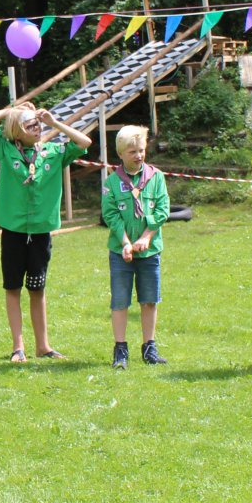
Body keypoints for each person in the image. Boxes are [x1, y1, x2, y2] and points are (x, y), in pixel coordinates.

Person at [0, 100, 93, 361]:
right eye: (30, 125)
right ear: (17, 131)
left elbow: (84, 142)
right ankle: (18, 347)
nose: (36, 128)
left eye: (37, 124)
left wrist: (54, 123)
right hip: (14, 229)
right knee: (13, 288)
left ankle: (43, 346)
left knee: (37, 288)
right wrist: (12, 110)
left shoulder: (53, 151)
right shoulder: (4, 149)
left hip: (41, 231)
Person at [102, 124, 170, 369]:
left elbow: (163, 210)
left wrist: (147, 236)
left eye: (141, 150)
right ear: (120, 153)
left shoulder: (156, 177)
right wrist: (126, 243)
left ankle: (149, 347)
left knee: (149, 299)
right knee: (120, 300)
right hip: (121, 253)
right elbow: (110, 215)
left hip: (150, 252)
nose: (139, 155)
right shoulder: (111, 182)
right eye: (132, 152)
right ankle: (120, 350)